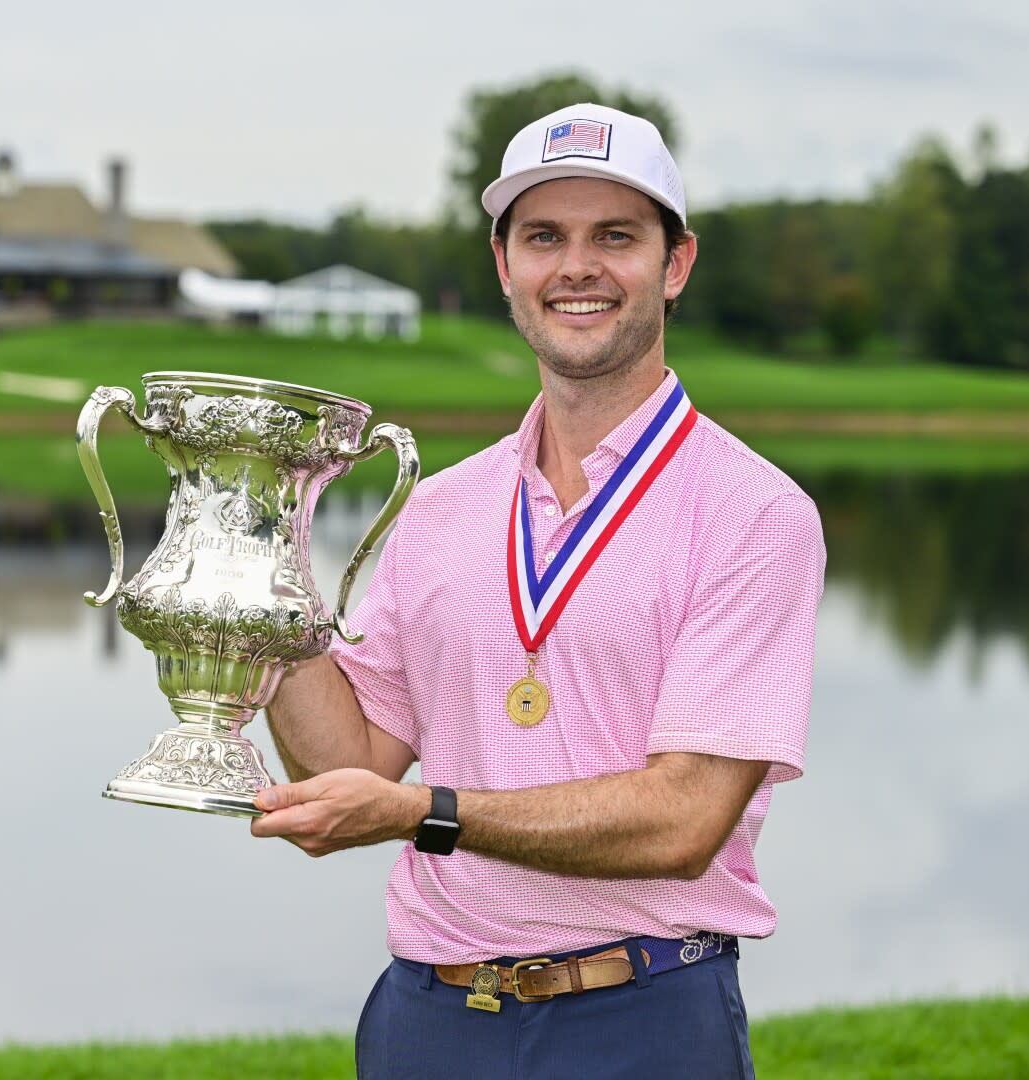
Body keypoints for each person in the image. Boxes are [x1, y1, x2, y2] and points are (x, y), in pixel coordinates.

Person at [252, 102, 826, 1079]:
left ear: (676, 263)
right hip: (424, 1016)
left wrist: (424, 812)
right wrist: (261, 573)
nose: (577, 268)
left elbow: (683, 821)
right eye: (545, 237)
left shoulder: (752, 513)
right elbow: (343, 757)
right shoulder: (441, 509)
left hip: (638, 1018)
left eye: (616, 237)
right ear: (504, 263)